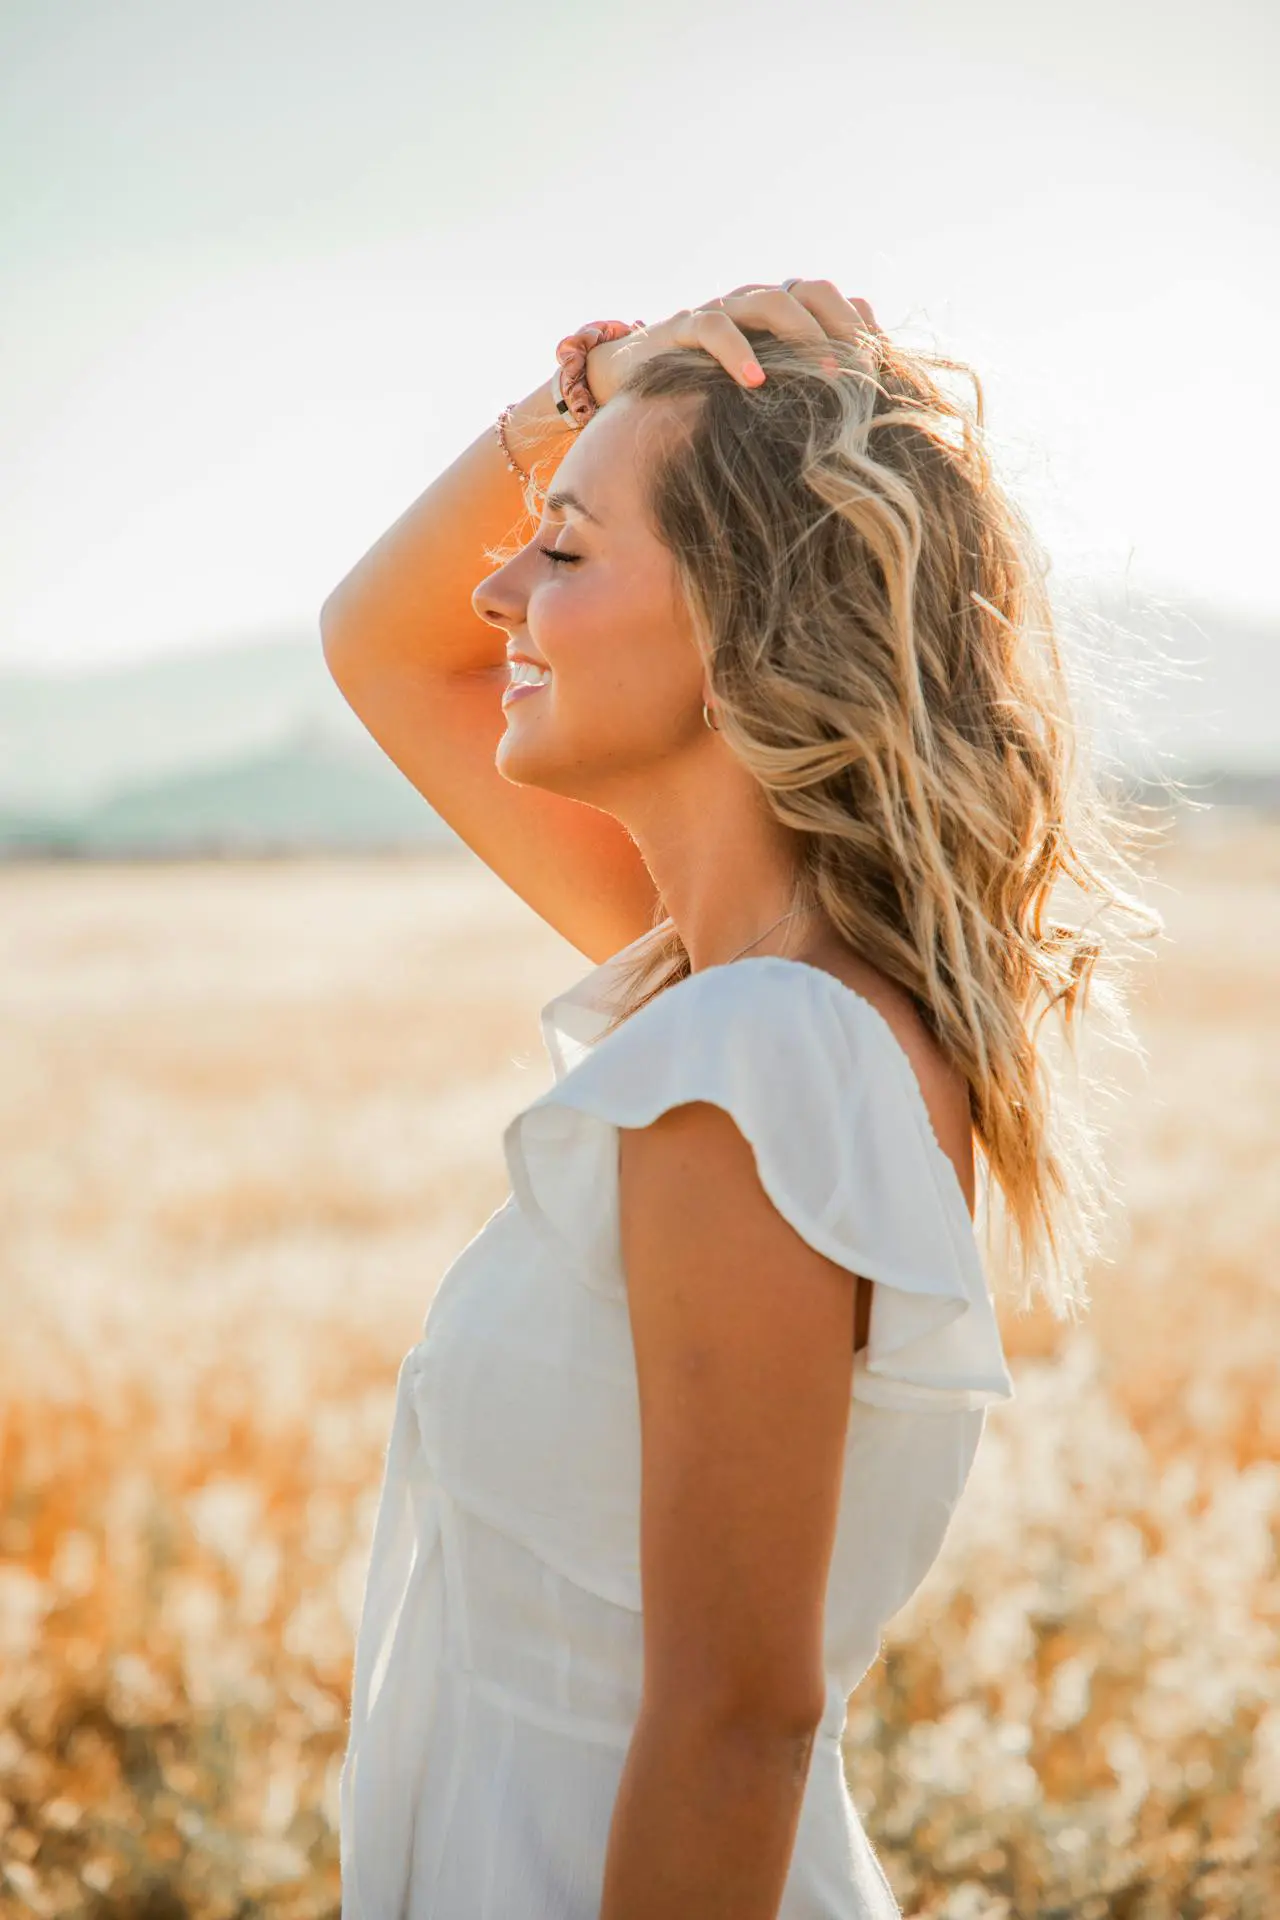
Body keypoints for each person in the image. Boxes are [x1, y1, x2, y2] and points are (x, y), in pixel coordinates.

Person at [320, 280, 1158, 1918]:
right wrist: (595, 394)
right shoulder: (739, 994)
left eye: (565, 554)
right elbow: (382, 643)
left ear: (741, 628)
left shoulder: (759, 1057)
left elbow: (734, 1727)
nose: (498, 589)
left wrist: (604, 416)